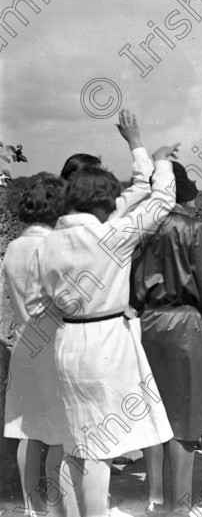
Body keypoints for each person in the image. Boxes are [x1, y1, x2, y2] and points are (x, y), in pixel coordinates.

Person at [25, 133, 179, 517]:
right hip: (106, 341)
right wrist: (159, 161)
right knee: (100, 446)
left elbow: (39, 298)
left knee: (72, 440)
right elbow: (162, 201)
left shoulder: (46, 243)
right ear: (104, 201)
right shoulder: (114, 236)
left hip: (66, 341)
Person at [129, 162, 202, 515]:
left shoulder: (138, 229)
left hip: (147, 323)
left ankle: (157, 497)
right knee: (184, 421)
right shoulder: (192, 229)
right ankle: (181, 506)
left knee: (155, 413)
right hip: (187, 326)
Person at [3, 177, 68, 517]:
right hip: (54, 340)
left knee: (27, 429)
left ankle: (34, 506)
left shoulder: (13, 247)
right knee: (60, 430)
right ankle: (57, 505)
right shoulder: (54, 246)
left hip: (24, 341)